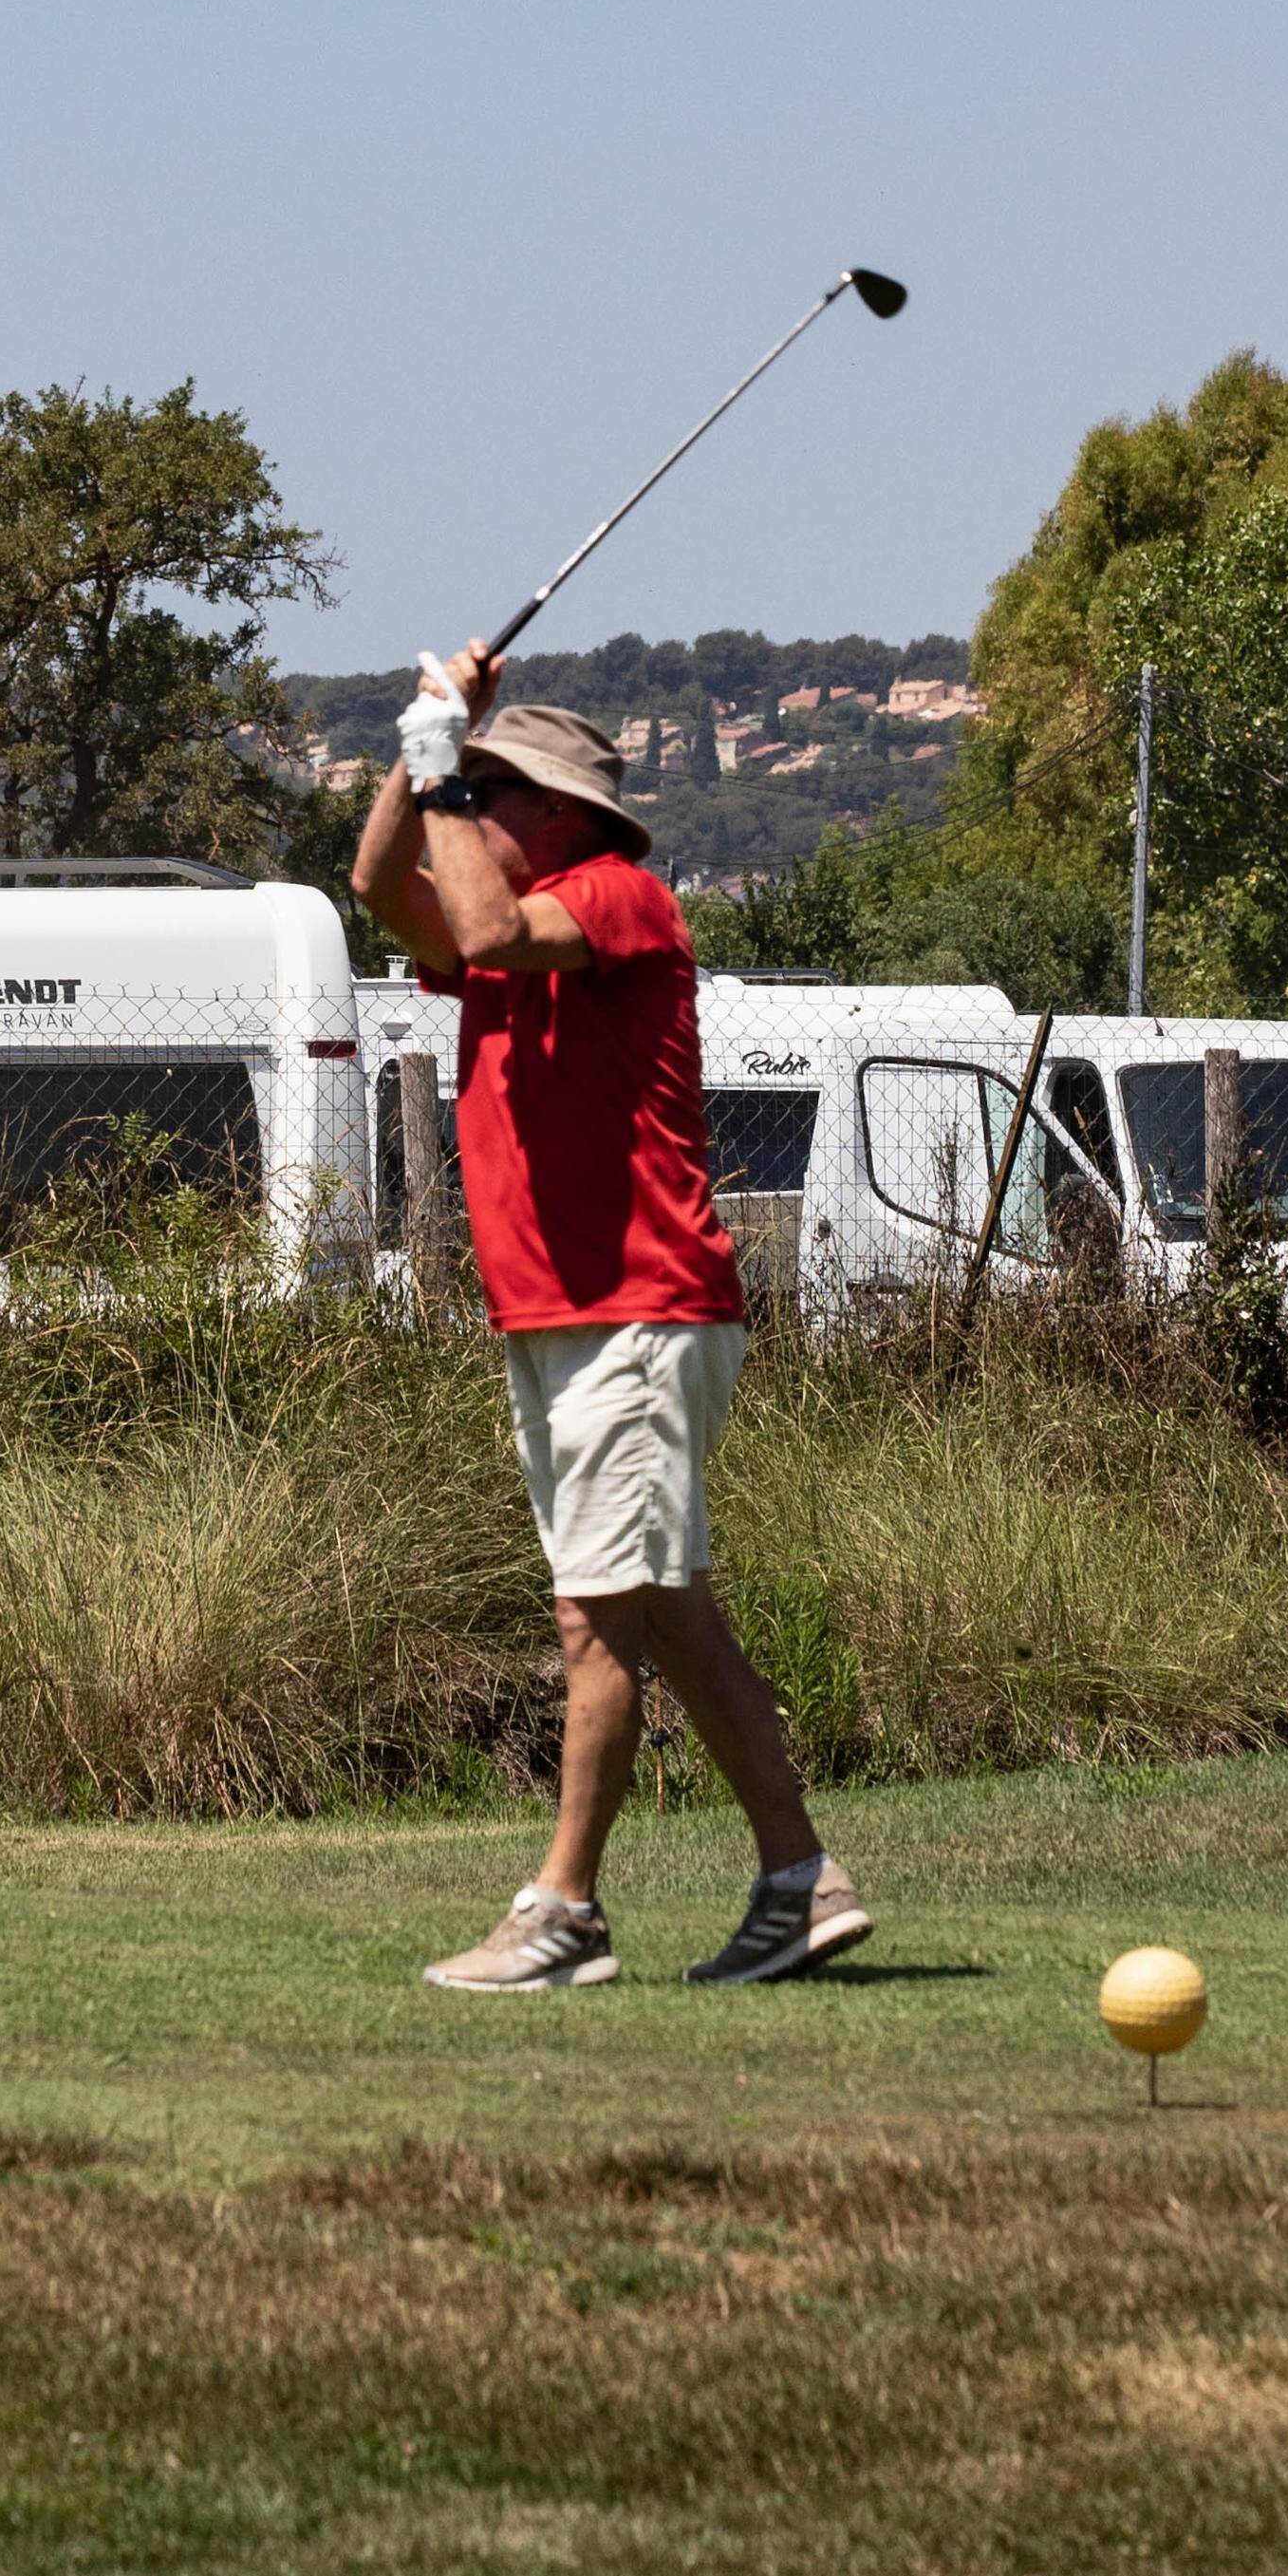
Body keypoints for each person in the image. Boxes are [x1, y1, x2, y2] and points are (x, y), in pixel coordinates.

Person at [351, 643, 870, 1990]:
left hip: (637, 1312)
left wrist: (438, 765)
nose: (477, 809)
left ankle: (564, 1912)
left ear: (562, 815)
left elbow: (477, 924)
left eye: (497, 793)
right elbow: (377, 890)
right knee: (671, 1614)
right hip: (570, 1320)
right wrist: (428, 753)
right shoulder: (502, 928)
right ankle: (802, 1883)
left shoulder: (618, 896)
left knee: (597, 1624)